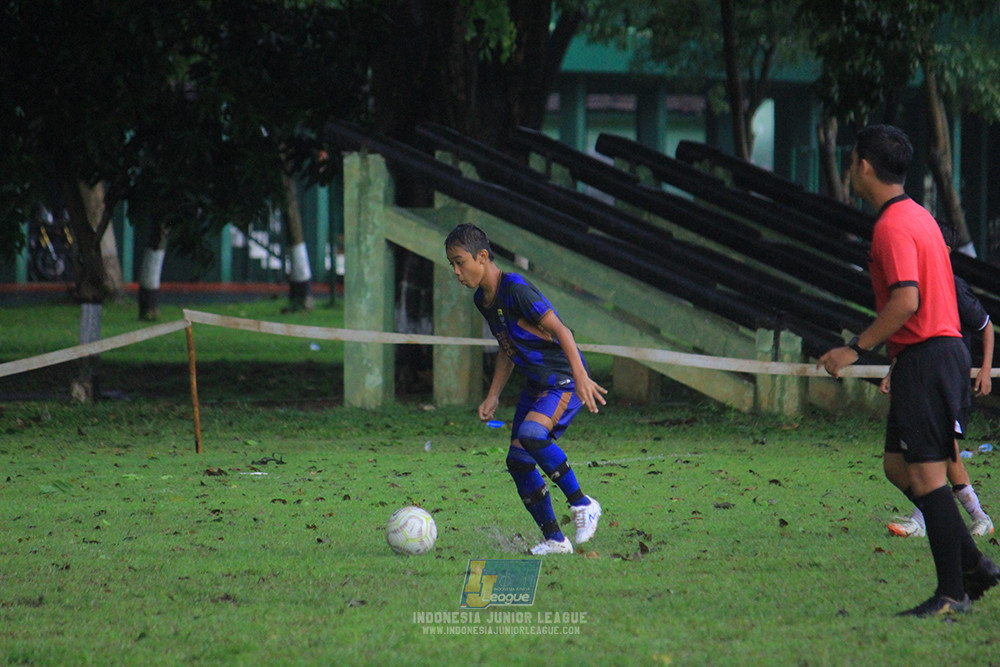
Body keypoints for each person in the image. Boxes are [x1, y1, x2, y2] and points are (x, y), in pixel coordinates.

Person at [818, 124, 999, 617]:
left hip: (930, 356)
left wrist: (855, 348)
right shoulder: (919, 217)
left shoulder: (893, 226)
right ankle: (975, 566)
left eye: (851, 160)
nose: (850, 169)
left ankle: (953, 593)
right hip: (926, 356)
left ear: (864, 167)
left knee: (927, 474)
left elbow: (907, 301)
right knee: (898, 467)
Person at [445, 223, 607, 555]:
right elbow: (509, 347)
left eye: (460, 262)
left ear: (483, 256)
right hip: (537, 385)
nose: (456, 272)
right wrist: (493, 394)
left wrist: (580, 377)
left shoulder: (516, 289)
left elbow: (563, 332)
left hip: (562, 378)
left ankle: (583, 503)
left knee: (533, 435)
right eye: (452, 265)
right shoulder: (484, 299)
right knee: (518, 461)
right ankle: (555, 539)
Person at [884, 223, 994, 538]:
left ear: (942, 250)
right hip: (921, 377)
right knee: (909, 459)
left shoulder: (953, 286)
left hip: (948, 378)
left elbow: (985, 326)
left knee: (941, 452)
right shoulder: (915, 287)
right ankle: (946, 516)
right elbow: (910, 336)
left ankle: (937, 519)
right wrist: (893, 373)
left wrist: (984, 370)